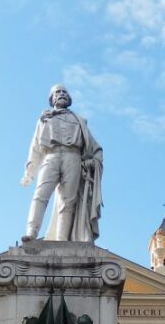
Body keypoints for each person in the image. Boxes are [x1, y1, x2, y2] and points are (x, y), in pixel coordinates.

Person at [20, 84, 103, 243]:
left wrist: (93, 161)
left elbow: (95, 147)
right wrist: (29, 172)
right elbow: (35, 146)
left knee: (68, 200)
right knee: (40, 195)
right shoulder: (45, 119)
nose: (62, 94)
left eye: (65, 92)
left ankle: (62, 240)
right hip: (51, 155)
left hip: (73, 156)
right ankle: (31, 232)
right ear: (52, 98)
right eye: (58, 92)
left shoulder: (79, 120)